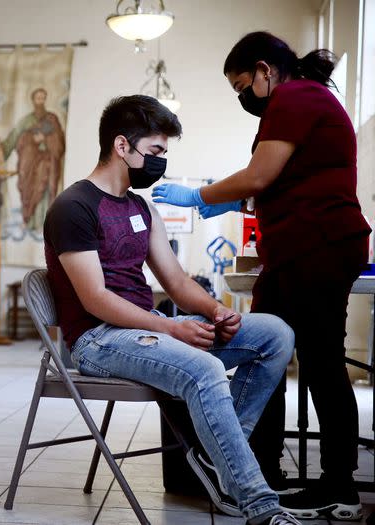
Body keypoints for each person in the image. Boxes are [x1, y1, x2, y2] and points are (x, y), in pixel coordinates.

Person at [44, 94, 299, 525]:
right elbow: (96, 300)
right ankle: (260, 504)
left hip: (147, 329)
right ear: (122, 146)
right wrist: (172, 330)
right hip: (98, 340)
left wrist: (216, 312)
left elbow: (178, 284)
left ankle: (215, 453)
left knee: (275, 334)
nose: (160, 162)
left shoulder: (142, 208)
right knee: (204, 370)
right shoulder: (73, 208)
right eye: (156, 152)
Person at [152, 31, 371, 521]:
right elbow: (275, 181)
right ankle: (262, 473)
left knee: (318, 364)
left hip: (317, 246)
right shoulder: (303, 100)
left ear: (264, 71)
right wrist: (232, 199)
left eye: (241, 85)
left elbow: (258, 175)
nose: (241, 97)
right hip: (301, 249)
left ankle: (338, 486)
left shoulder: (295, 96)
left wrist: (199, 196)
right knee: (270, 348)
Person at [0, 87, 66, 231]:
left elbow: (59, 141)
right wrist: (3, 148)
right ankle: (29, 221)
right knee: (28, 186)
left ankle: (44, 223)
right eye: (37, 98)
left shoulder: (52, 119)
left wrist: (46, 138)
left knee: (44, 184)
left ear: (45, 100)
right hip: (29, 163)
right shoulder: (26, 120)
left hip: (48, 161)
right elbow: (15, 136)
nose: (40, 101)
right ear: (33, 100)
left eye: (42, 98)